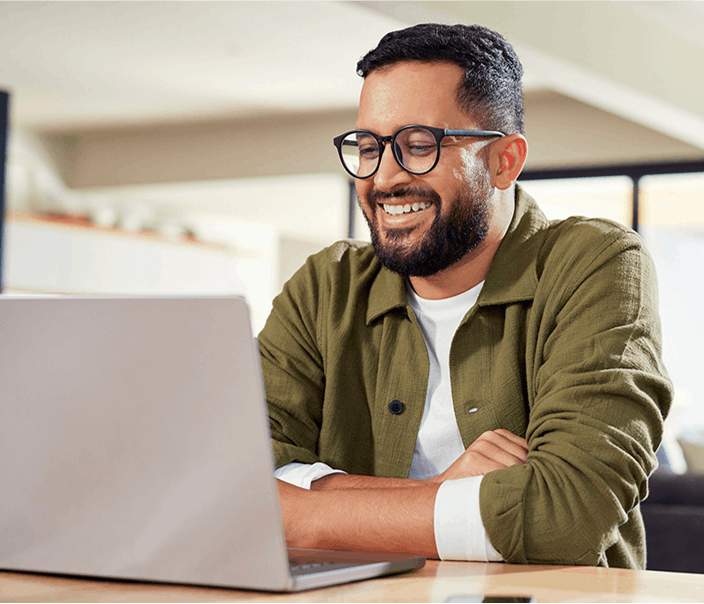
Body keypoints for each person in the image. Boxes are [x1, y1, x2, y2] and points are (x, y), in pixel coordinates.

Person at [259, 23, 673, 568]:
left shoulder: (595, 264)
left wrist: (303, 516)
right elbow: (232, 478)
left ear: (504, 161)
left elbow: (568, 512)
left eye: (418, 146)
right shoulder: (324, 286)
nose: (384, 178)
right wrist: (443, 494)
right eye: (369, 147)